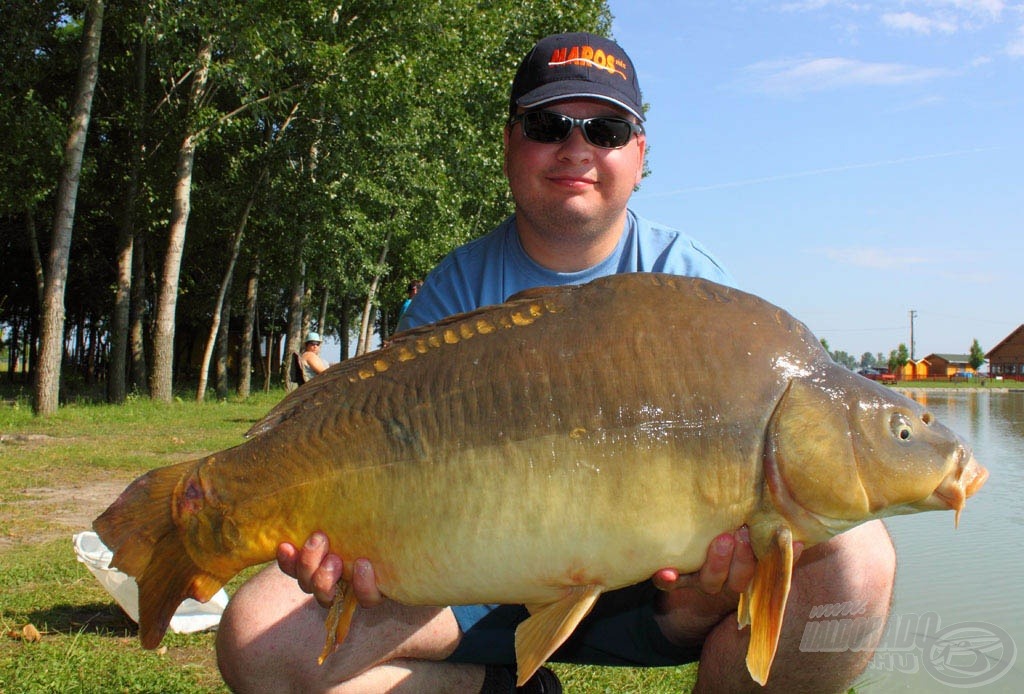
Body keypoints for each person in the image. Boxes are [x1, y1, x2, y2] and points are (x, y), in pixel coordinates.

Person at [217, 32, 895, 694]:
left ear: (639, 152)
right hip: (471, 578)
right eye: (549, 124)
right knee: (258, 641)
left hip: (660, 595)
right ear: (511, 142)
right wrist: (351, 552)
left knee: (859, 564)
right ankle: (496, 686)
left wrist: (724, 564)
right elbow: (382, 452)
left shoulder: (693, 289)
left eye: (605, 132)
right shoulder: (458, 288)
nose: (578, 149)